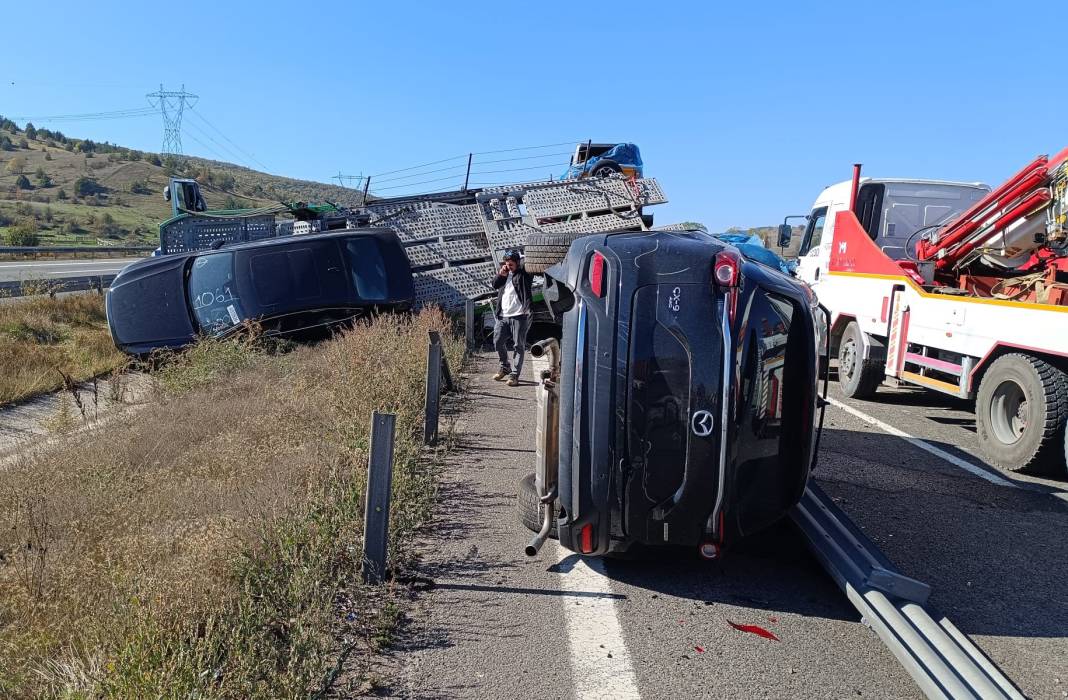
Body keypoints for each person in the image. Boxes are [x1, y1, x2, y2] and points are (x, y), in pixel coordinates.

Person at [490, 249, 533, 386]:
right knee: (497, 341)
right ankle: (505, 366)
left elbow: (529, 265)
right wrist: (500, 275)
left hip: (519, 315)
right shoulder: (504, 274)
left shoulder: (523, 274)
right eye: (507, 263)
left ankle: (514, 375)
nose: (509, 266)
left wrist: (521, 263)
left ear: (518, 263)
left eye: (511, 263)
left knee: (518, 346)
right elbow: (495, 285)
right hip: (503, 316)